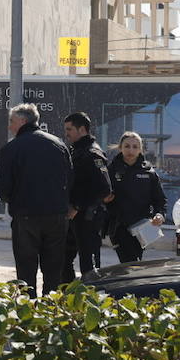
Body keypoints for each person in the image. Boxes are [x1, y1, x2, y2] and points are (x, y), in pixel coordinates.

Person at [0, 103, 73, 298]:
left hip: (26, 217)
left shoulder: (11, 149)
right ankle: (51, 310)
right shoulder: (58, 144)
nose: (9, 127)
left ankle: (28, 312)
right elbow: (71, 179)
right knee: (53, 270)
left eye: (12, 122)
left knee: (26, 270)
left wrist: (14, 202)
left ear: (22, 121)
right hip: (56, 216)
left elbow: (3, 188)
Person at [104, 131, 168, 263]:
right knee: (130, 262)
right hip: (119, 226)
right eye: (127, 146)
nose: (131, 150)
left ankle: (129, 283)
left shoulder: (149, 172)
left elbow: (160, 200)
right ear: (120, 148)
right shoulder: (111, 170)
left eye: (135, 146)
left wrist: (159, 215)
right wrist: (104, 199)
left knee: (135, 263)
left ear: (141, 149)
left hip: (142, 228)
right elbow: (99, 196)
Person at [62, 111, 111, 280]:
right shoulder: (76, 150)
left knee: (88, 266)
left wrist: (78, 206)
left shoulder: (93, 153)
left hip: (88, 217)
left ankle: (91, 301)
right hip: (73, 216)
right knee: (64, 259)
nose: (66, 133)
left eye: (69, 129)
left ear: (82, 129)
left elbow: (104, 188)